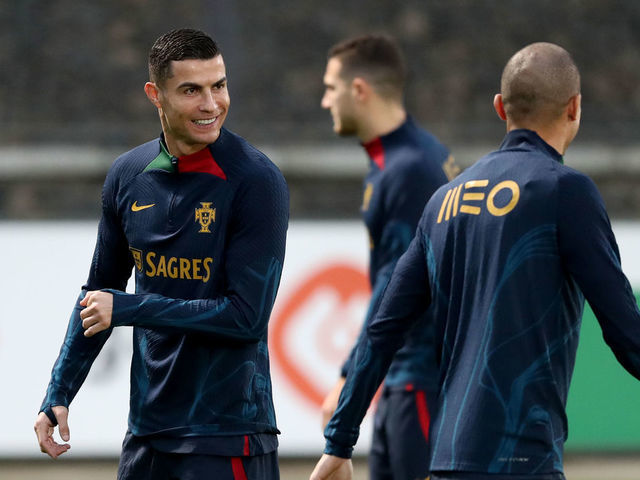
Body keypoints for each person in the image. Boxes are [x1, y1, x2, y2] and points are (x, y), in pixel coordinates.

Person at [311, 42, 640, 480]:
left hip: (445, 460)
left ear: (500, 107)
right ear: (575, 108)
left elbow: (383, 328)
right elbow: (624, 328)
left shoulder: (443, 200)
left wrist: (339, 441)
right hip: (524, 459)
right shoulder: (566, 191)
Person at [34, 28, 289, 479]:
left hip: (226, 435)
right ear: (156, 94)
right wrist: (60, 389)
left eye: (219, 85)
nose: (211, 105)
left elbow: (246, 317)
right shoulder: (127, 175)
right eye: (192, 90)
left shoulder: (257, 181)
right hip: (147, 436)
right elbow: (99, 293)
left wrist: (129, 308)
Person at [320, 34, 458, 480]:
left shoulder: (409, 170)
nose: (325, 101)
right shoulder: (408, 157)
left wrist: (347, 378)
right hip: (401, 379)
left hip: (420, 382)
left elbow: (394, 290)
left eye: (331, 88)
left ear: (359, 90)